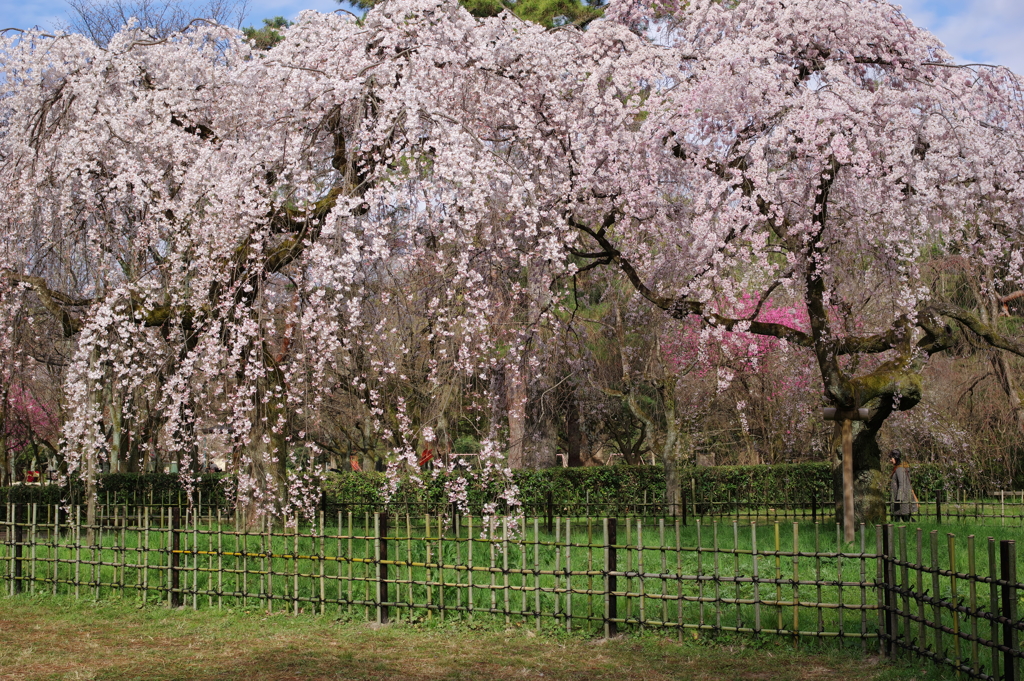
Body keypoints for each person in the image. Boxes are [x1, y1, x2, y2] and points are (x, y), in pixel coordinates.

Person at [889, 449, 918, 521]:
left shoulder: (900, 469)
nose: (890, 460)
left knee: (905, 518)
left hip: (900, 500)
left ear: (895, 458)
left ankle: (913, 528)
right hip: (900, 498)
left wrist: (899, 498)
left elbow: (902, 484)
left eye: (891, 458)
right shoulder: (900, 468)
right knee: (900, 518)